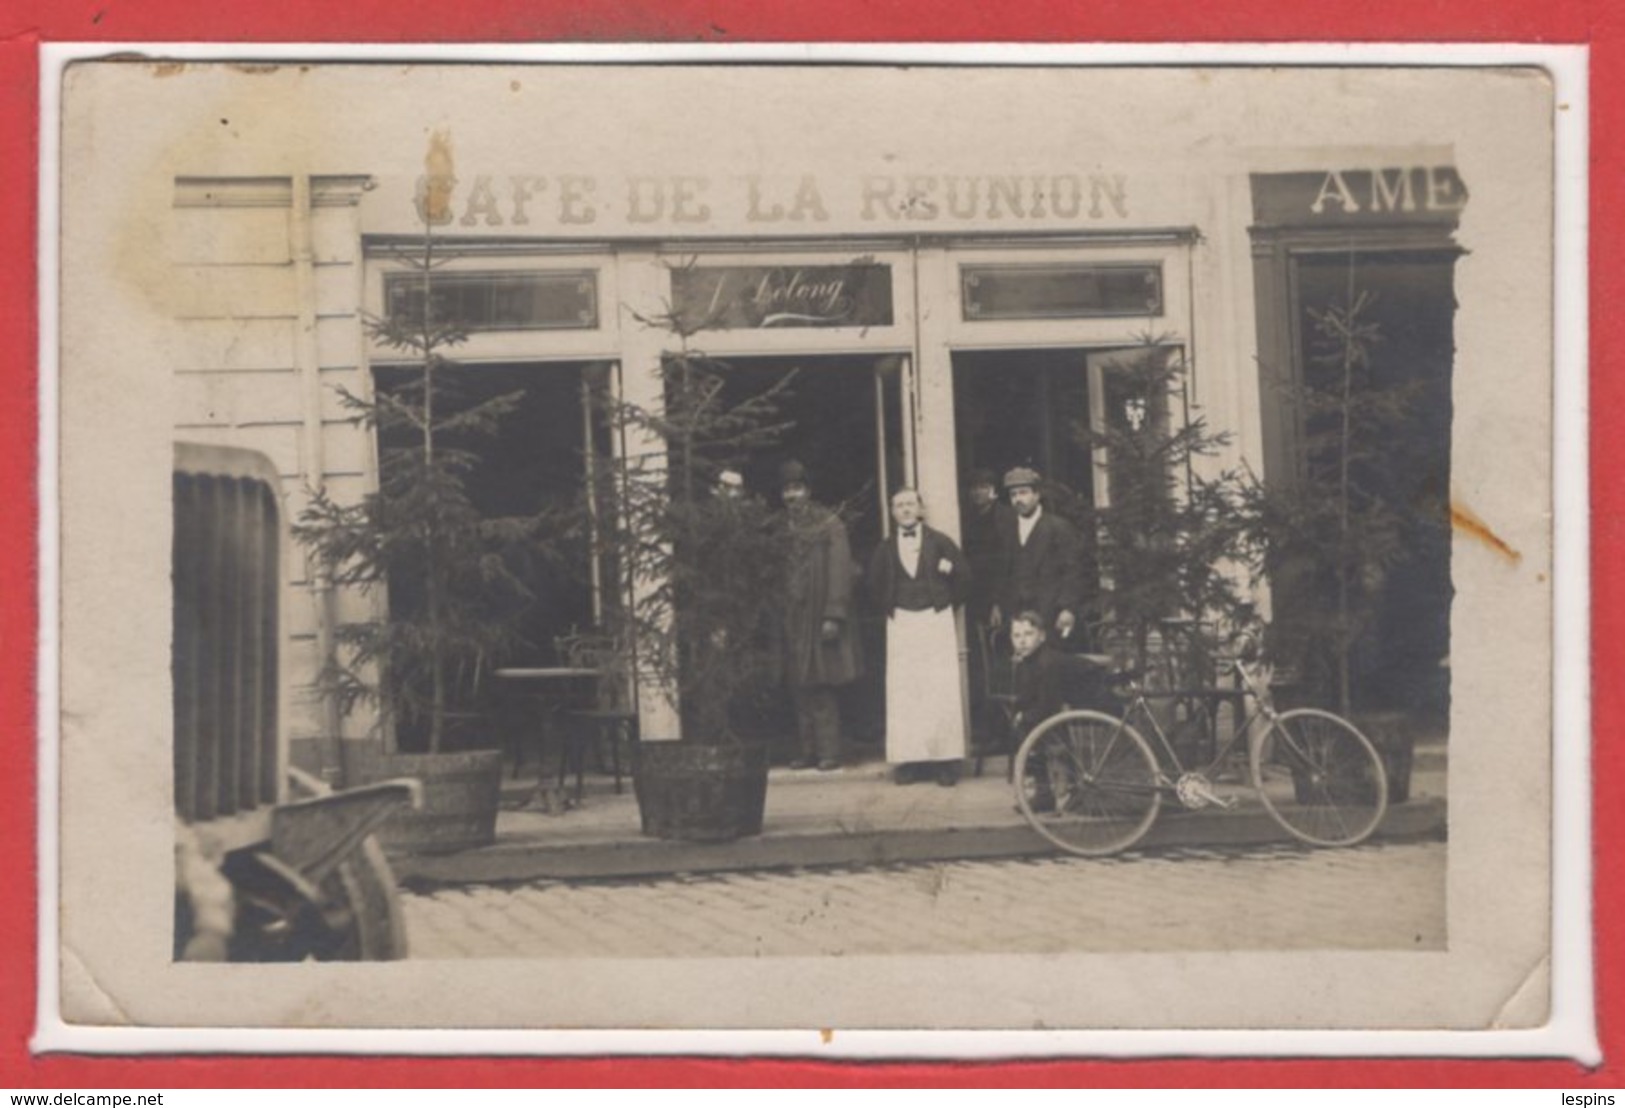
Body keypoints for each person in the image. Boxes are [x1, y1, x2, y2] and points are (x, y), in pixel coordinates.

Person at [867, 487, 971, 787]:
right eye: (899, 505)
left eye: (910, 503)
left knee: (941, 688)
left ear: (921, 509)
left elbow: (965, 577)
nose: (905, 509)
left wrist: (945, 601)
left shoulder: (940, 542)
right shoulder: (885, 548)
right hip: (901, 621)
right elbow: (873, 585)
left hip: (935, 619)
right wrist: (891, 606)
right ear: (892, 512)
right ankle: (909, 761)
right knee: (905, 691)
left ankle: (947, 762)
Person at [777, 461, 863, 771]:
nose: (792, 496)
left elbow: (841, 571)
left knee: (821, 683)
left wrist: (833, 614)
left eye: (797, 489)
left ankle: (829, 751)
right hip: (792, 617)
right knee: (798, 685)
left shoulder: (829, 524)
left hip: (819, 614)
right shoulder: (780, 527)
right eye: (787, 490)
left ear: (808, 491)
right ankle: (807, 749)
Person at [990, 466, 1088, 650]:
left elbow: (1073, 571)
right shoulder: (1006, 530)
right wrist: (997, 604)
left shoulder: (1059, 528)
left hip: (1050, 612)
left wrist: (1068, 608)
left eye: (1024, 493)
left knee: (1050, 666)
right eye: (1013, 494)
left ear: (1037, 495)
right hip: (1017, 614)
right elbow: (1002, 570)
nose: (1018, 499)